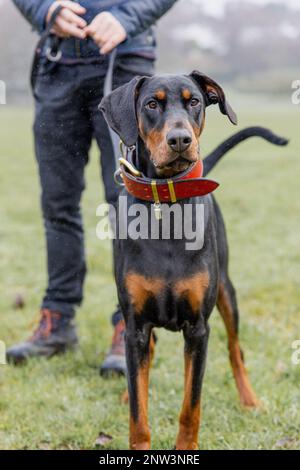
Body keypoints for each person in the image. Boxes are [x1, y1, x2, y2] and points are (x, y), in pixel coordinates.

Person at [7, 0, 178, 374]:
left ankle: (131, 325)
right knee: (57, 204)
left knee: (128, 202)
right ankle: (58, 320)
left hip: (126, 67)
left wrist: (125, 17)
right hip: (57, 65)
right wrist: (45, 11)